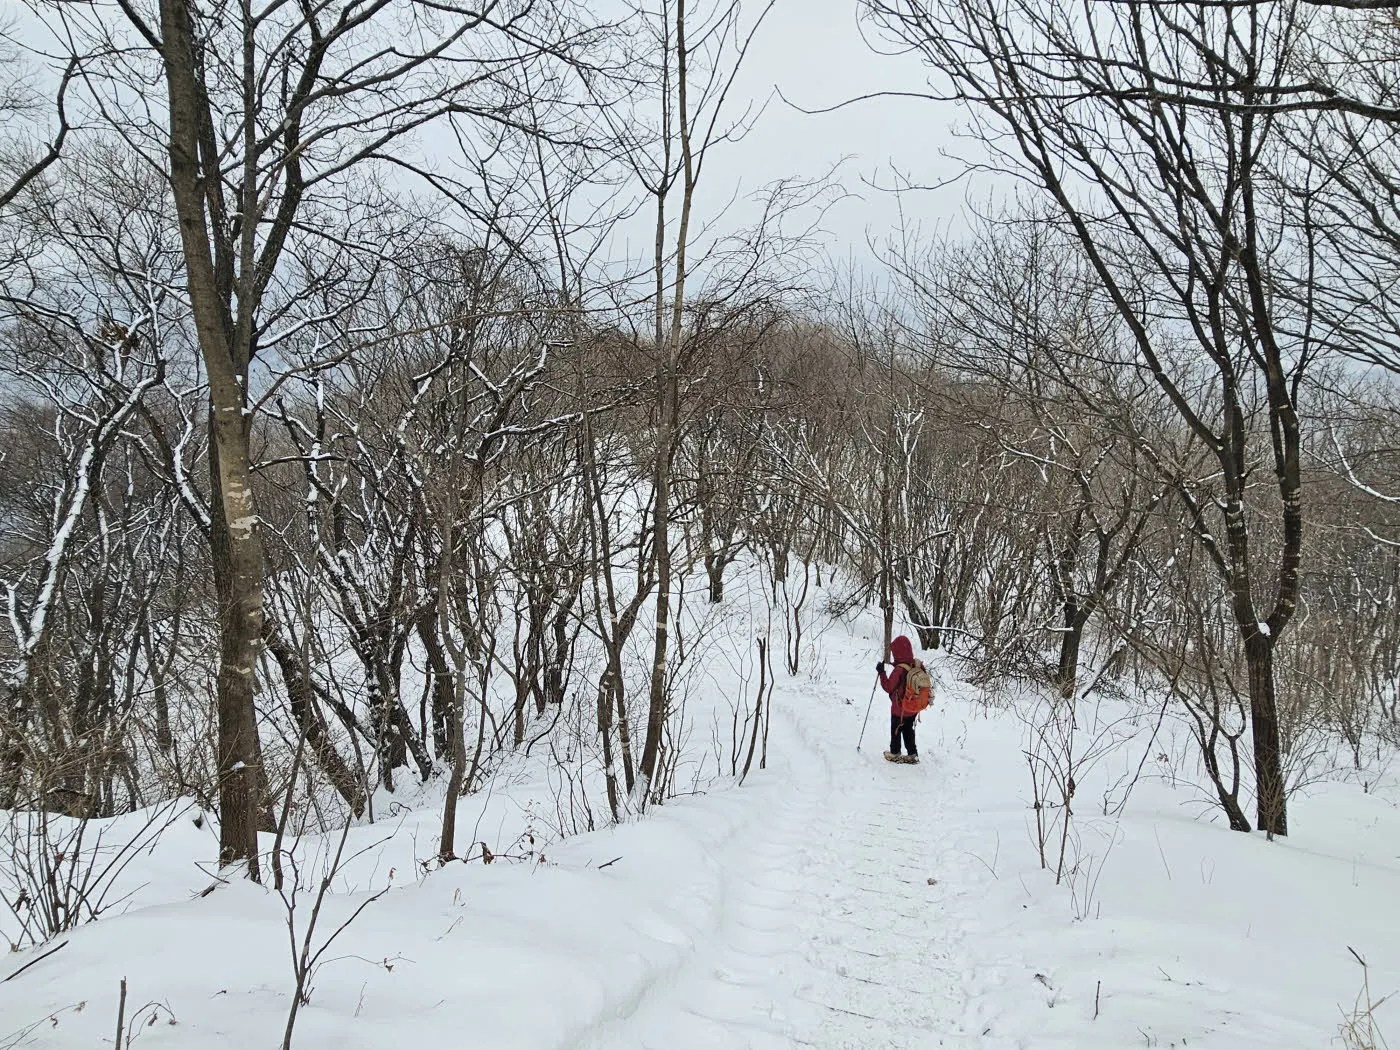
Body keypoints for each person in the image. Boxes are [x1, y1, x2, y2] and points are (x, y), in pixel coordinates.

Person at [877, 634, 920, 764]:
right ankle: (912, 754)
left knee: (896, 730)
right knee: (908, 730)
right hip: (913, 708)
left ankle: (895, 752)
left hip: (899, 708)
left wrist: (881, 673)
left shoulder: (899, 670)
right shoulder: (915, 665)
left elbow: (889, 687)